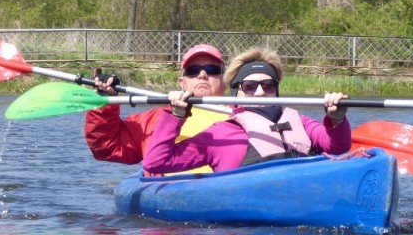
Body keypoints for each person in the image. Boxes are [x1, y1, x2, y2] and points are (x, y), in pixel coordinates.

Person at [142, 48, 351, 175]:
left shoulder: (300, 121)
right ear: (236, 93)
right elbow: (157, 162)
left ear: (276, 91)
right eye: (250, 87)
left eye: (268, 86)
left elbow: (338, 146)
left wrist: (336, 118)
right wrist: (177, 115)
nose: (260, 93)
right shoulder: (219, 133)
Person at [84, 44, 228, 164]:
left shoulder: (242, 117)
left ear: (225, 81)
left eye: (212, 70)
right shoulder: (153, 120)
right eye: (193, 71)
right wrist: (105, 100)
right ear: (182, 83)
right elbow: (105, 146)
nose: (202, 75)